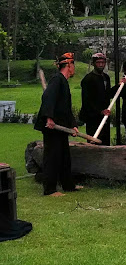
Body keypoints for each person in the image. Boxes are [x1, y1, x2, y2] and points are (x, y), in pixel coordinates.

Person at [34, 53, 82, 196]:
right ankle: (49, 189)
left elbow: (65, 108)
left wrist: (72, 125)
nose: (74, 68)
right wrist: (49, 118)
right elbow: (47, 98)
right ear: (68, 65)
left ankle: (68, 185)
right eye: (73, 65)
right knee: (52, 157)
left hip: (61, 127)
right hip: (52, 126)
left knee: (64, 157)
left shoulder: (63, 81)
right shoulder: (57, 80)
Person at [79, 52, 112, 146]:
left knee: (105, 141)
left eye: (103, 62)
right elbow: (86, 100)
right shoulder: (88, 79)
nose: (101, 64)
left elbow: (108, 94)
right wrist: (99, 111)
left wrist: (120, 85)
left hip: (105, 116)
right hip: (93, 117)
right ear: (93, 63)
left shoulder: (106, 77)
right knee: (94, 141)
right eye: (98, 62)